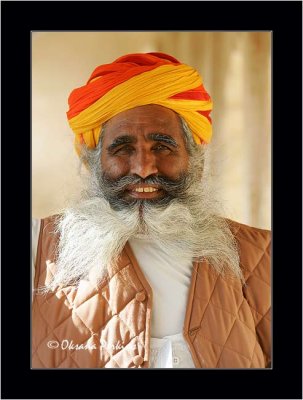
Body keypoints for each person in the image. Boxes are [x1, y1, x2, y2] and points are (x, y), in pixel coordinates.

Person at [32, 52, 271, 369]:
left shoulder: (264, 255)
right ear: (94, 162)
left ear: (194, 161)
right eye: (122, 148)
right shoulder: (37, 248)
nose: (144, 168)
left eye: (162, 146)